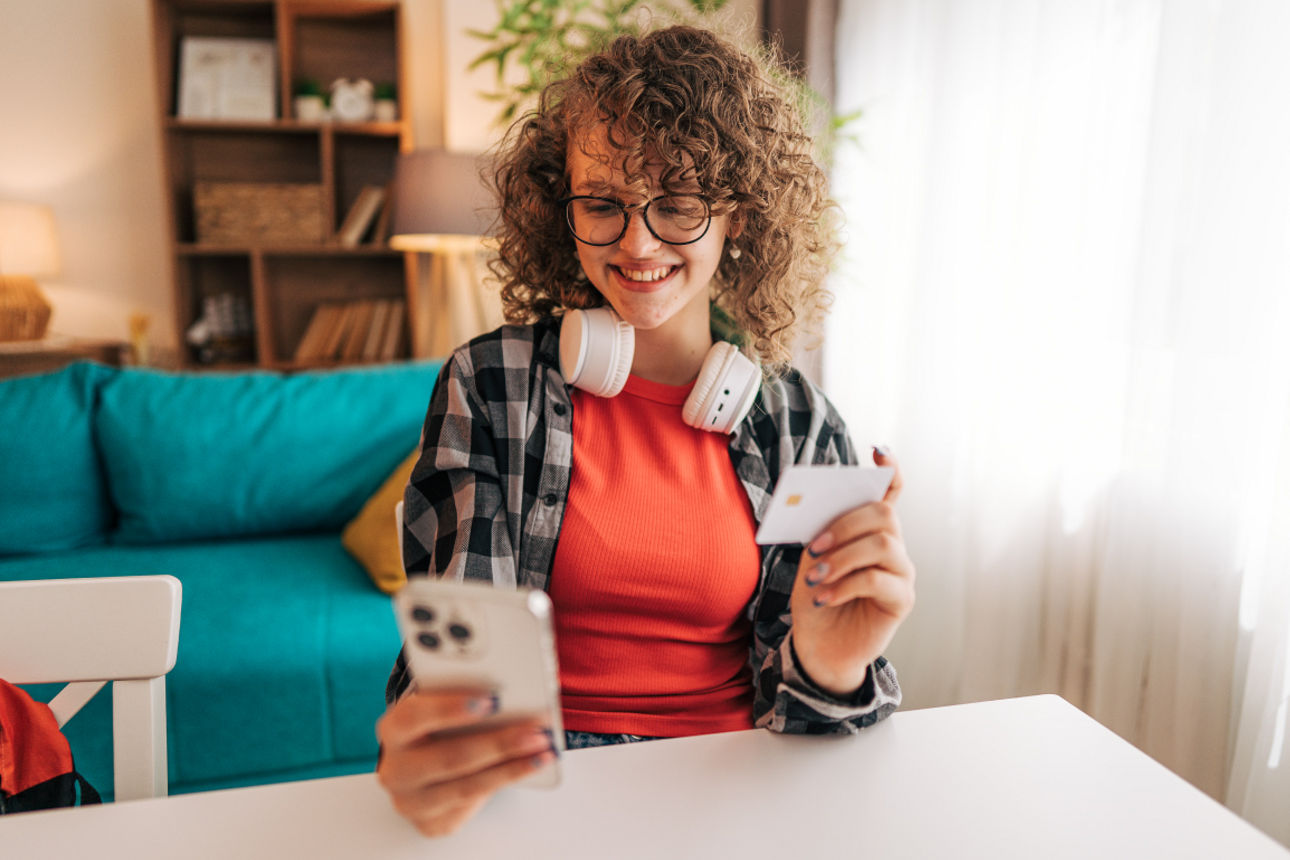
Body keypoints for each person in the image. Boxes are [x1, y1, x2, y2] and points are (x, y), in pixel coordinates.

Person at [375, 24, 916, 837]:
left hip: (732, 796)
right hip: (540, 794)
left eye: (680, 202)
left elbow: (816, 736)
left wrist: (832, 668)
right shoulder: (492, 386)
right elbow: (464, 665)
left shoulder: (798, 424)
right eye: (604, 202)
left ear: (738, 216)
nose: (637, 242)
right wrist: (446, 747)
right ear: (565, 210)